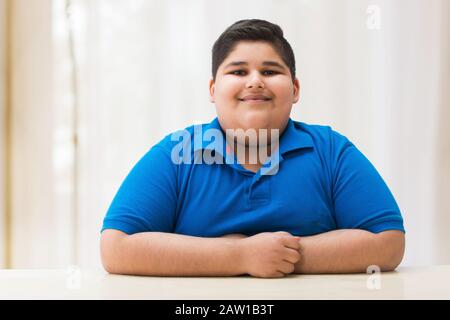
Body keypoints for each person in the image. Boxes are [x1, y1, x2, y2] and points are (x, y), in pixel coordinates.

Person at [100, 19, 405, 278]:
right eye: (238, 72)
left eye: (270, 71)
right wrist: (239, 256)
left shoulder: (330, 151)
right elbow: (116, 248)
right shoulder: (176, 153)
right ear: (212, 89)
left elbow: (388, 242)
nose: (255, 81)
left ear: (295, 89)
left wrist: (279, 256)